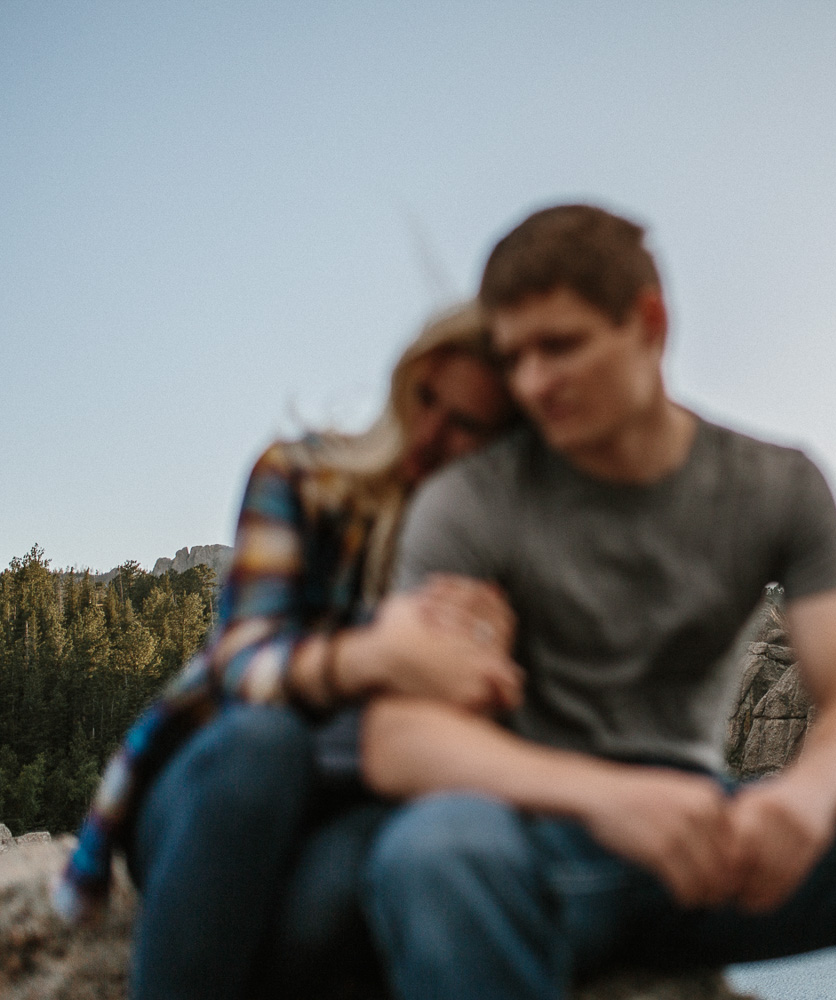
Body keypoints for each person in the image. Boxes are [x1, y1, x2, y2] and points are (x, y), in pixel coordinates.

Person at [357, 205, 836, 1000]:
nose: (533, 383)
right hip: (543, 847)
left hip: (715, 849)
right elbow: (398, 738)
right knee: (435, 852)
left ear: (648, 323)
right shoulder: (468, 504)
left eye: (561, 346)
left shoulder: (778, 485)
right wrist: (613, 799)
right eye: (515, 356)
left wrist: (804, 798)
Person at [55, 302, 525, 1000]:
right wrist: (376, 659)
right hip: (216, 788)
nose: (430, 432)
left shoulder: (496, 557)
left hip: (355, 810)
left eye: (465, 425)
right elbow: (242, 664)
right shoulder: (301, 475)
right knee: (263, 746)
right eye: (426, 398)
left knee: (337, 895)